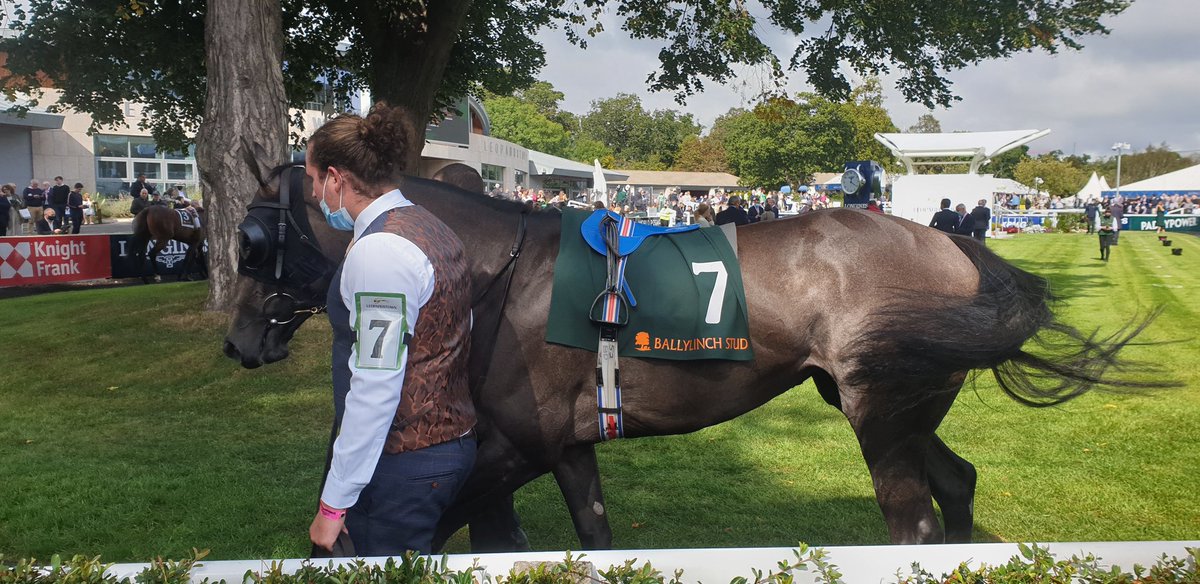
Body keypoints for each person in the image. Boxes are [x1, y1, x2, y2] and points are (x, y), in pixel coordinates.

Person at [305, 103, 476, 557]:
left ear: (337, 178)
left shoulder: (381, 249)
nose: (315, 192)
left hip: (404, 460)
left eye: (314, 179)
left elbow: (376, 386)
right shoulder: (429, 226)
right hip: (443, 445)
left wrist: (333, 504)